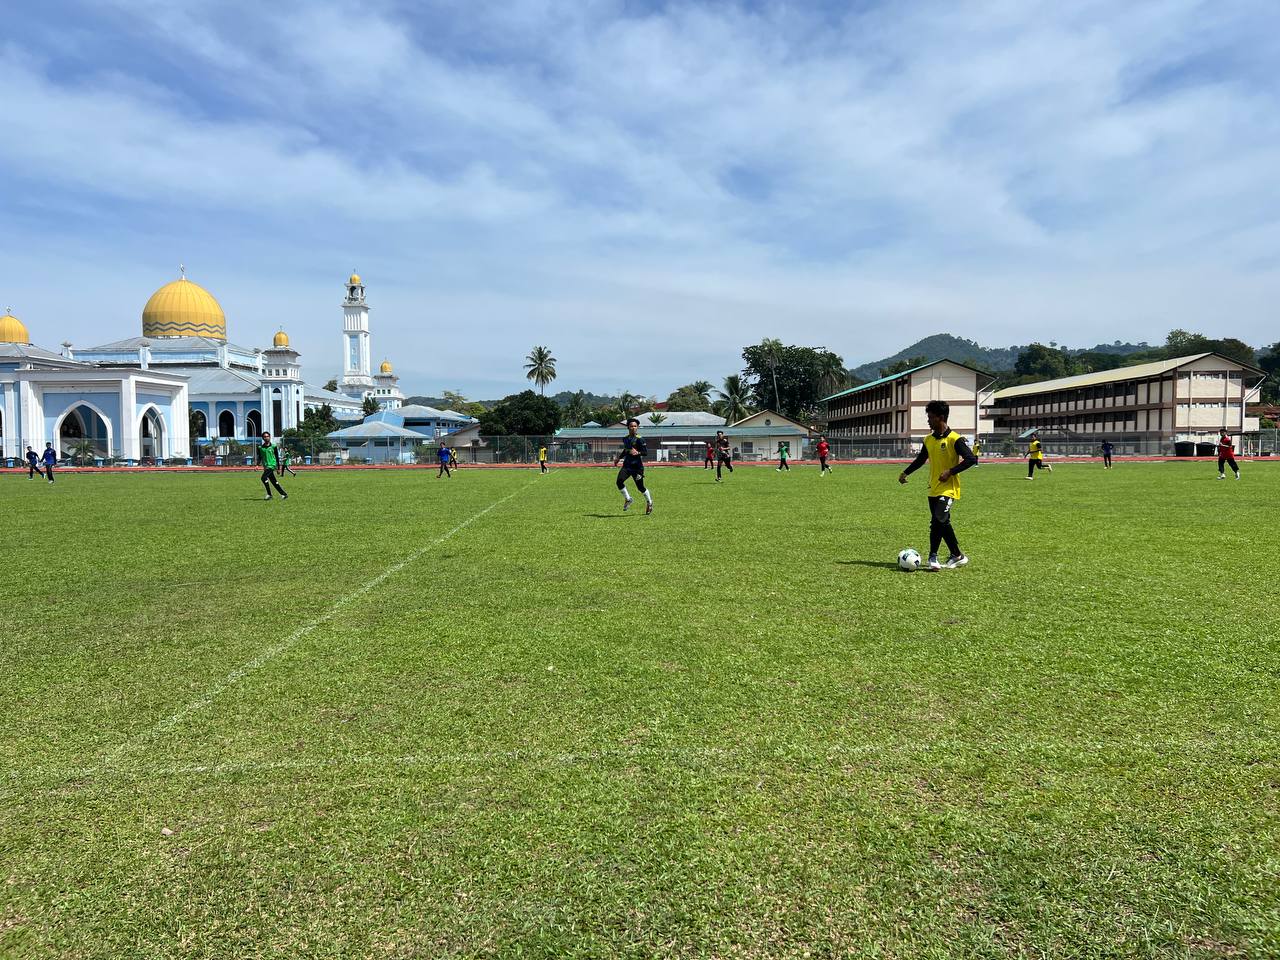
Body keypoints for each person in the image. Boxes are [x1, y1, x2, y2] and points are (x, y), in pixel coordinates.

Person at [898, 400, 978, 571]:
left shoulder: (955, 439)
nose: (928, 420)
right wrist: (905, 473)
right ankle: (957, 555)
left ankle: (933, 556)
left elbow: (971, 459)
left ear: (941, 417)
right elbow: (920, 460)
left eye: (931, 417)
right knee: (941, 522)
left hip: (949, 488)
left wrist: (950, 471)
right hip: (933, 488)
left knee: (938, 519)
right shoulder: (928, 439)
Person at [613, 417, 653, 514]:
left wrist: (638, 452)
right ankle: (628, 499)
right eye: (631, 426)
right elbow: (626, 450)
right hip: (627, 466)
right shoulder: (625, 439)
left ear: (637, 427)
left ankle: (650, 502)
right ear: (628, 427)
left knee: (640, 487)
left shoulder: (640, 439)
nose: (633, 428)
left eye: (635, 426)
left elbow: (645, 453)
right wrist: (619, 458)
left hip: (637, 468)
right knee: (619, 482)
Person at [257, 432, 288, 500]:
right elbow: (260, 457)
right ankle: (284, 494)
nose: (266, 438)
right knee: (274, 481)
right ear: (263, 438)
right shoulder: (260, 448)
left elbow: (277, 457)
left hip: (272, 465)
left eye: (267, 436)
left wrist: (278, 468)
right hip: (266, 466)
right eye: (265, 436)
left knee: (263, 478)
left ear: (270, 437)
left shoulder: (273, 446)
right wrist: (257, 465)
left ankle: (269, 494)